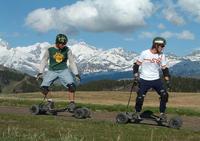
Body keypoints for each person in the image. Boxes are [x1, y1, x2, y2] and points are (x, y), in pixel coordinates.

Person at [36, 33, 81, 112]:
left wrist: (76, 73)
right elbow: (44, 60)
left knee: (72, 86)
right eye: (61, 43)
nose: (63, 45)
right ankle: (50, 102)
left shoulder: (67, 50)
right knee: (43, 87)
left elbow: (71, 62)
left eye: (64, 43)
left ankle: (72, 104)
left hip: (64, 70)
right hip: (52, 70)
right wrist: (40, 72)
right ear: (57, 42)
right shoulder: (50, 49)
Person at [132, 37, 171, 121]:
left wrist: (167, 80)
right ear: (156, 45)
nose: (163, 47)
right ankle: (137, 113)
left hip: (156, 80)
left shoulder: (162, 55)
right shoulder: (144, 53)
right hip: (144, 79)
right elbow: (136, 65)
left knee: (164, 95)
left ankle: (162, 114)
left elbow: (164, 69)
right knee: (140, 97)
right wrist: (136, 76)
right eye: (162, 46)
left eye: (164, 46)